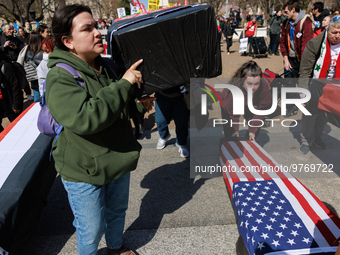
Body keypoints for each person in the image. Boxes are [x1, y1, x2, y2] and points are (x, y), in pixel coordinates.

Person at [45, 4, 154, 255]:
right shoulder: (59, 77)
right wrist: (124, 83)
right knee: (91, 228)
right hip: (83, 168)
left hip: (116, 157)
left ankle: (115, 248)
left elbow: (117, 108)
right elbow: (86, 118)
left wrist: (139, 106)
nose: (98, 32)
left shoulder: (105, 65)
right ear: (68, 41)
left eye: (96, 26)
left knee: (117, 212)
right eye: (87, 29)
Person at [298, 15, 340, 154]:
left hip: (333, 86)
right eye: (334, 33)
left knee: (325, 113)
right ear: (328, 30)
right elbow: (305, 70)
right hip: (315, 83)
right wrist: (303, 91)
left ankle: (317, 136)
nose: (337, 36)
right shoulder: (315, 44)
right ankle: (306, 139)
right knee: (310, 113)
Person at [220, 61, 271, 141]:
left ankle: (248, 144)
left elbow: (262, 109)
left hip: (252, 104)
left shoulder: (264, 87)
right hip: (230, 106)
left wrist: (253, 130)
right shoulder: (234, 91)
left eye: (256, 84)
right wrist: (235, 130)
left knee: (254, 129)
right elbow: (232, 113)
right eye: (249, 84)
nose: (253, 87)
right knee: (231, 133)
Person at [280, 0, 314, 116]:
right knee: (288, 84)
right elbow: (282, 42)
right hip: (290, 59)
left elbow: (306, 45)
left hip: (303, 60)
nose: (284, 14)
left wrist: (305, 65)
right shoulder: (286, 23)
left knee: (304, 84)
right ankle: (291, 107)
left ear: (293, 10)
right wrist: (285, 59)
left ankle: (308, 107)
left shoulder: (306, 22)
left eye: (286, 11)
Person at [155, 84, 190, 157]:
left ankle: (182, 143)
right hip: (162, 94)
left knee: (182, 123)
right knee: (160, 120)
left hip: (181, 95)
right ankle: (164, 136)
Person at [0, 56, 23, 132]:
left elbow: (15, 86)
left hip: (9, 101)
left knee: (18, 126)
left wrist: (16, 104)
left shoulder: (6, 66)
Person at [24, 32, 43, 101]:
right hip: (43, 79)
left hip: (33, 78)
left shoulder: (27, 51)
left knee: (36, 98)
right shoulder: (42, 51)